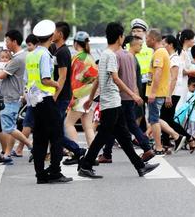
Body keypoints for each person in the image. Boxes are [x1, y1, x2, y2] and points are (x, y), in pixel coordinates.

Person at [77, 22, 159, 179]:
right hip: (111, 102)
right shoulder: (111, 56)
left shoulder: (104, 55)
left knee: (124, 137)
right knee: (103, 135)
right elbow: (115, 78)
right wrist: (133, 94)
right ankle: (86, 165)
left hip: (112, 101)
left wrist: (90, 98)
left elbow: (98, 80)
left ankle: (140, 166)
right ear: (120, 38)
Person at [25, 20, 70, 184]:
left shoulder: (30, 55)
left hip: (33, 101)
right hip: (45, 99)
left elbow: (27, 79)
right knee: (57, 135)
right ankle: (55, 172)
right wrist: (56, 83)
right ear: (51, 36)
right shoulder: (44, 54)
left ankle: (40, 174)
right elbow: (45, 79)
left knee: (40, 137)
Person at [100, 35, 156, 163]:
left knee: (114, 125)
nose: (140, 47)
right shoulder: (131, 57)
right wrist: (135, 94)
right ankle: (145, 148)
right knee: (124, 125)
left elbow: (116, 77)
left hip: (120, 95)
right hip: (130, 96)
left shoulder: (116, 56)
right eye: (139, 45)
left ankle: (107, 154)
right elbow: (134, 78)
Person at [50, 22, 86, 166]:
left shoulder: (63, 52)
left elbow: (63, 77)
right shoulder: (56, 50)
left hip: (61, 96)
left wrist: (55, 96)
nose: (52, 34)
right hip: (59, 95)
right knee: (55, 130)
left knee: (55, 130)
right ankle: (75, 151)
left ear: (60, 34)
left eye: (54, 32)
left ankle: (76, 151)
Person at [146, 29, 185, 155]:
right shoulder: (160, 52)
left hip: (157, 92)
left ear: (152, 39)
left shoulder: (159, 53)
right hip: (157, 92)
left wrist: (152, 92)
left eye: (147, 38)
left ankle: (159, 147)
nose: (145, 41)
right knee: (155, 118)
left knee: (154, 119)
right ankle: (176, 136)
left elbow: (158, 73)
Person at [0, 30, 32, 160]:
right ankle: (7, 154)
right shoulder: (21, 57)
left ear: (14, 42)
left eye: (7, 41)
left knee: (8, 127)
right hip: (14, 95)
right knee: (10, 126)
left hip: (11, 96)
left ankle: (30, 144)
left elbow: (1, 75)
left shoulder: (18, 59)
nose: (6, 44)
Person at [65, 31, 98, 147]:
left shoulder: (77, 58)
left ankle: (75, 151)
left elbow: (75, 80)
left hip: (79, 96)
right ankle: (93, 154)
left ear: (75, 43)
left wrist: (72, 98)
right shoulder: (90, 57)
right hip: (91, 96)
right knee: (88, 127)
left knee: (68, 124)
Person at [163, 35, 191, 149]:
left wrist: (168, 95)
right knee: (166, 118)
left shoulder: (174, 59)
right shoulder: (171, 57)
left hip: (173, 92)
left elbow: (173, 78)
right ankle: (166, 141)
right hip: (171, 92)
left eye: (164, 44)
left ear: (170, 45)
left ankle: (187, 137)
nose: (163, 46)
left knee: (164, 118)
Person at [15, 34, 38, 157]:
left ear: (36, 45)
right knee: (29, 122)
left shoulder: (38, 57)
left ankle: (20, 148)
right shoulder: (30, 57)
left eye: (30, 45)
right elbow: (26, 78)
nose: (28, 48)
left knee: (28, 123)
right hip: (32, 95)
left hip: (37, 96)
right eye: (27, 45)